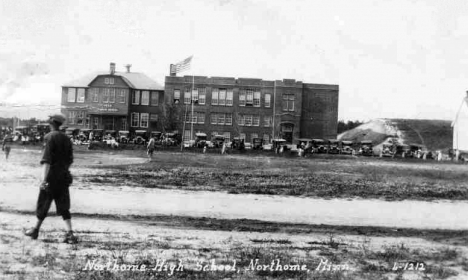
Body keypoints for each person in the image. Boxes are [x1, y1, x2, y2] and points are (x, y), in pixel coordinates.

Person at [24, 114, 77, 244]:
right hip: (64, 176)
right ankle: (70, 233)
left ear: (51, 124)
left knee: (44, 203)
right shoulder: (66, 139)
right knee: (63, 205)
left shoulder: (49, 137)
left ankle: (35, 230)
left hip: (51, 176)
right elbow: (70, 160)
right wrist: (63, 169)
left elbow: (46, 160)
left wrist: (43, 180)